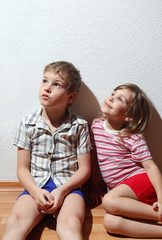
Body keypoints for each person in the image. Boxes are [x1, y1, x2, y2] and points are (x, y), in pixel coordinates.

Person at [2, 61, 91, 240]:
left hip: (69, 188)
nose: (47, 88)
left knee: (70, 224)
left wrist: (62, 191)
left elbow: (85, 169)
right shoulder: (27, 124)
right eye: (44, 81)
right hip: (36, 187)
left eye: (56, 84)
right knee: (15, 222)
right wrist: (35, 192)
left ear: (70, 97)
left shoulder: (79, 126)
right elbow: (22, 169)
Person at [90, 83, 162, 237]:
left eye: (120, 99)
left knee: (108, 202)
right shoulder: (96, 126)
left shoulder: (132, 137)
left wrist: (161, 200)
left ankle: (159, 213)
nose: (111, 98)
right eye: (113, 93)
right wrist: (95, 186)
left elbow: (151, 167)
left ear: (128, 116)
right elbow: (94, 158)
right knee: (110, 223)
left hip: (141, 182)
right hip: (123, 194)